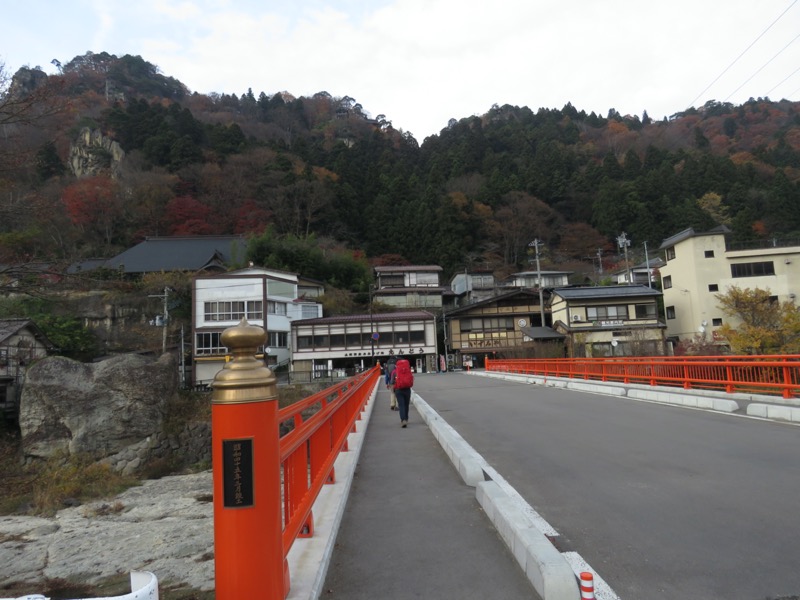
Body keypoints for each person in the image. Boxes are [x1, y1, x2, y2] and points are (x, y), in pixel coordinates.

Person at [390, 355, 414, 427]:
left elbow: (392, 382)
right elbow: (411, 379)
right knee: (406, 404)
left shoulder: (394, 372)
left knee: (401, 405)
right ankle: (406, 418)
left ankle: (403, 419)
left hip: (398, 389)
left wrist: (393, 390)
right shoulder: (408, 370)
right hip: (407, 389)